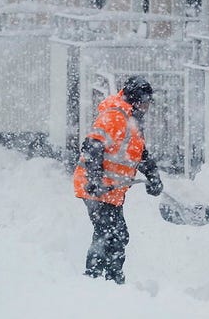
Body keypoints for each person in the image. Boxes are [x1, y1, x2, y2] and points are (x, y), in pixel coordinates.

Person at [72, 75, 162, 284]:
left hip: (111, 190)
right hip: (94, 187)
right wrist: (94, 180)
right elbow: (92, 146)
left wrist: (153, 176)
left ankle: (107, 280)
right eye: (146, 101)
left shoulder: (132, 121)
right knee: (110, 233)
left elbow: (139, 154)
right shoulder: (115, 116)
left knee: (115, 234)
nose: (148, 106)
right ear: (136, 99)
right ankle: (97, 278)